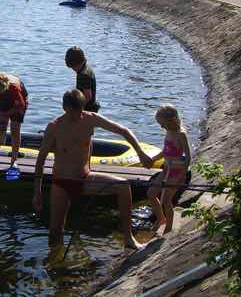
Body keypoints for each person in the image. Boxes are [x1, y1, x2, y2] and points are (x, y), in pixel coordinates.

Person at [32, 89, 152, 250]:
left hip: (85, 178)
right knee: (55, 231)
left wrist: (141, 153)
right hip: (61, 183)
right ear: (64, 107)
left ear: (83, 107)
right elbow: (40, 161)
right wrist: (37, 193)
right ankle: (55, 262)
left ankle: (128, 237)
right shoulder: (54, 126)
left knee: (123, 186)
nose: (76, 116)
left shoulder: (90, 119)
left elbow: (123, 131)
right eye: (72, 112)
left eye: (79, 111)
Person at [146, 105, 191, 236]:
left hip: (176, 172)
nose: (161, 127)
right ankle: (161, 218)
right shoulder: (168, 132)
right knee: (151, 193)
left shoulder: (181, 134)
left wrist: (183, 174)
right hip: (166, 169)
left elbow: (188, 156)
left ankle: (168, 228)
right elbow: (164, 152)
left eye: (162, 124)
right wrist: (153, 159)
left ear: (172, 120)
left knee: (167, 201)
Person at [65, 46, 100, 112]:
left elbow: (88, 96)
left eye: (73, 67)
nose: (73, 70)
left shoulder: (83, 75)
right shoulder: (86, 67)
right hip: (92, 107)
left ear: (78, 63)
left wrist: (77, 110)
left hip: (87, 109)